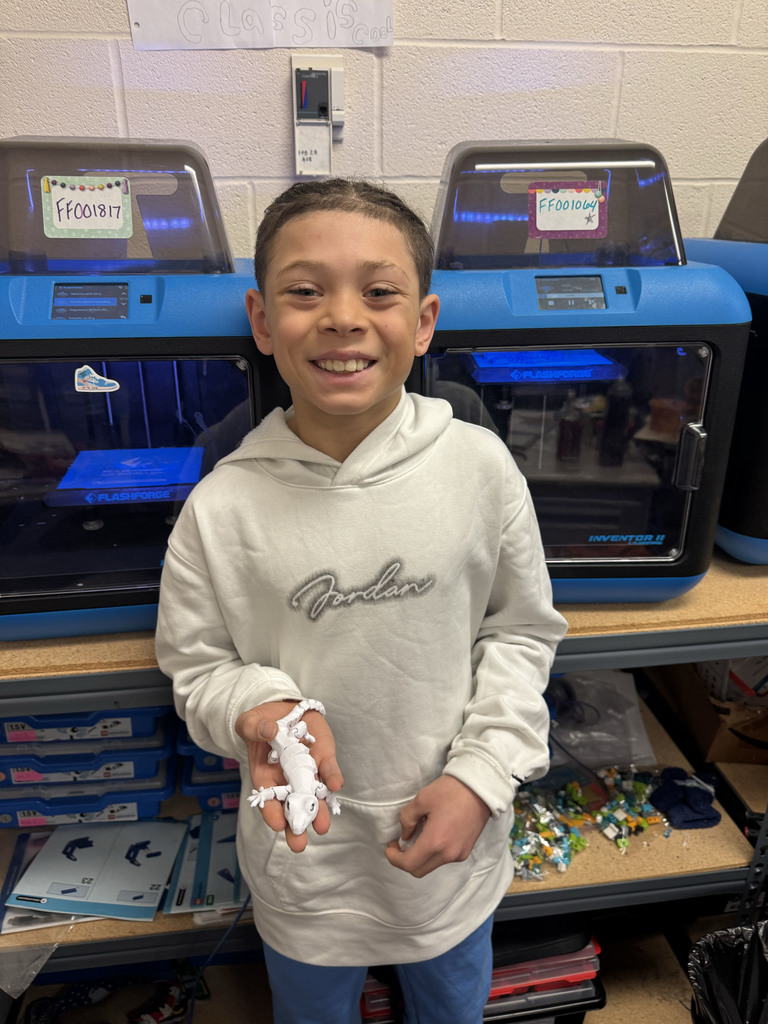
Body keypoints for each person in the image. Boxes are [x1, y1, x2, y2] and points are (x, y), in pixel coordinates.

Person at [155, 178, 568, 1024]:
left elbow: (521, 632)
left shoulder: (480, 468)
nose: (343, 317)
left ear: (422, 322)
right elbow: (198, 671)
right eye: (305, 292)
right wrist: (257, 707)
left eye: (379, 292)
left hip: (455, 828)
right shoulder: (220, 505)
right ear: (263, 322)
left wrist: (483, 775)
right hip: (302, 856)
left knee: (452, 1009)